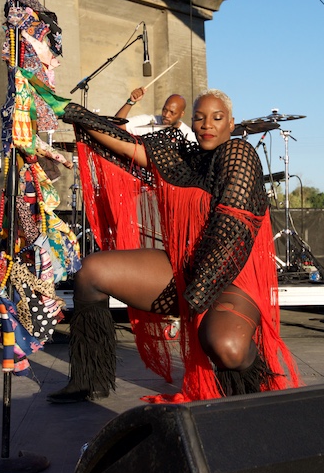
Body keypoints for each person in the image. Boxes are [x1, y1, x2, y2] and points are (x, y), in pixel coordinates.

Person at [49, 89, 300, 403]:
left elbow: (233, 225)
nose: (207, 124)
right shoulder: (182, 158)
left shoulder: (239, 154)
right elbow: (129, 146)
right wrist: (71, 111)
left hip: (234, 278)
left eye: (217, 118)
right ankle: (89, 379)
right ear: (191, 123)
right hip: (186, 272)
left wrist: (198, 291)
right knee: (91, 271)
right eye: (199, 117)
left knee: (227, 347)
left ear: (231, 124)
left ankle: (252, 388)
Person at [114, 86, 197, 142]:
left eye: (172, 112)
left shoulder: (189, 135)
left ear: (182, 114)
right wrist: (131, 101)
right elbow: (117, 125)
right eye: (164, 110)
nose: (166, 115)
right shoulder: (149, 121)